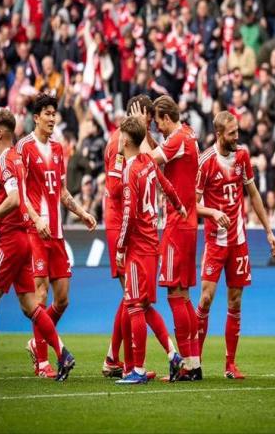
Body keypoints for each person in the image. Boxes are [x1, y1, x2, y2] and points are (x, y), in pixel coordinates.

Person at [0, 109, 75, 382]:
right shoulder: (17, 158)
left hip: (12, 240)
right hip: (24, 238)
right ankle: (63, 354)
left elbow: (14, 198)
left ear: (0, 132)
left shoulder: (6, 160)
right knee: (30, 305)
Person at [16, 93, 97, 378]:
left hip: (57, 233)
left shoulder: (59, 148)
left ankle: (36, 341)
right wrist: (36, 219)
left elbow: (61, 191)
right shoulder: (24, 147)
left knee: (62, 299)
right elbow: (20, 193)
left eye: (54, 114)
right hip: (35, 231)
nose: (52, 118)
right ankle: (42, 362)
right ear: (36, 117)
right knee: (40, 294)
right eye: (47, 114)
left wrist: (82, 212)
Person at [196, 111, 275, 379]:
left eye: (237, 132)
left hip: (239, 242)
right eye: (232, 133)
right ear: (219, 134)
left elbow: (253, 194)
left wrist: (268, 231)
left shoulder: (242, 156)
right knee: (206, 298)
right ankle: (194, 361)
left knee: (235, 301)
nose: (237, 137)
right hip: (215, 242)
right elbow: (191, 205)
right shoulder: (205, 162)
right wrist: (212, 212)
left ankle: (230, 364)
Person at [114, 116, 186, 385]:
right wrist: (179, 205)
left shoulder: (130, 170)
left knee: (134, 305)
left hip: (137, 247)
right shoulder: (148, 162)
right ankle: (173, 354)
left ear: (126, 140)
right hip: (152, 244)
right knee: (144, 305)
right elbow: (166, 185)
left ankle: (138, 370)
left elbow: (129, 215)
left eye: (120, 135)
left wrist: (120, 247)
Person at [137, 95, 201, 380]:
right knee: (184, 295)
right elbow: (160, 150)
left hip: (177, 224)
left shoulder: (177, 139)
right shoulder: (187, 135)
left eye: (158, 123)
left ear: (165, 117)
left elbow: (147, 161)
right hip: (189, 223)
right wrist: (149, 136)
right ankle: (194, 363)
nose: (158, 128)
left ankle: (186, 365)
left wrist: (139, 130)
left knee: (174, 294)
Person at [101, 94, 156, 379]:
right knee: (132, 298)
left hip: (131, 222)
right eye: (148, 119)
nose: (151, 124)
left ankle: (115, 358)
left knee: (130, 297)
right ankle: (126, 363)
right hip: (119, 223)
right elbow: (114, 189)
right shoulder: (118, 142)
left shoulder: (136, 141)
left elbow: (153, 159)